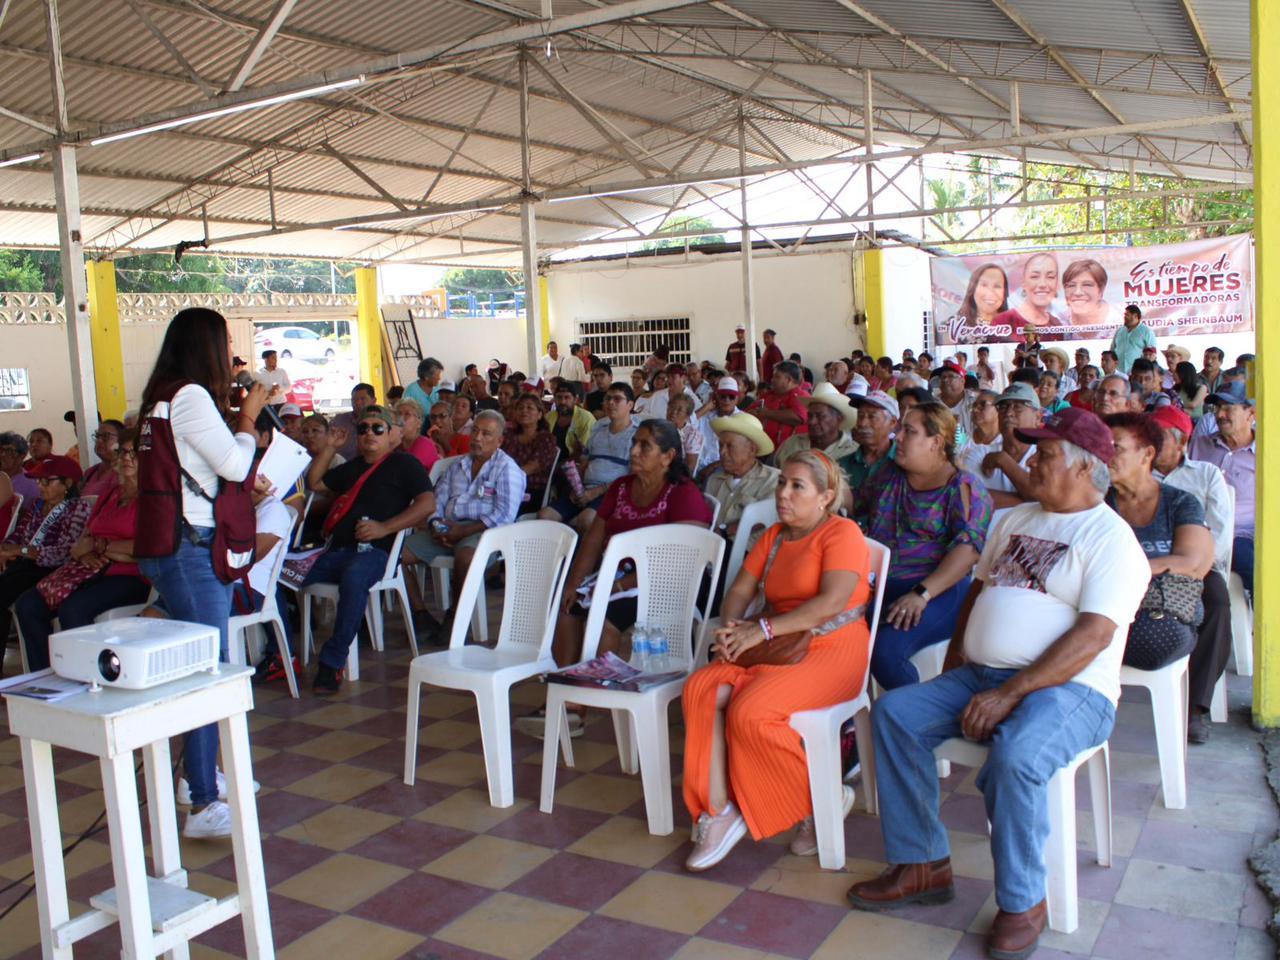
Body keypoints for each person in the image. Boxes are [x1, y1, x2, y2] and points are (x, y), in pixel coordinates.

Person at [848, 408, 1148, 960]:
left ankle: (1022, 901)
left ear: (1085, 470)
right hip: (983, 676)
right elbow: (979, 597)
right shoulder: (1015, 520)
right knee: (894, 714)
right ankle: (922, 865)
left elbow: (1092, 638)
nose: (1031, 461)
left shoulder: (1112, 539)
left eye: (1047, 454)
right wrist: (958, 666)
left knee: (1017, 755)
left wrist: (1010, 694)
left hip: (1072, 689)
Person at [681, 451, 871, 870]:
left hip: (833, 647)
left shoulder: (842, 534)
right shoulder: (775, 537)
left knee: (750, 711)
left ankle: (818, 800)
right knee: (699, 688)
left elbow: (833, 602)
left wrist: (761, 631)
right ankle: (718, 811)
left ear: (825, 497)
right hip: (776, 643)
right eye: (782, 482)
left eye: (797, 486)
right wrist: (732, 631)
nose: (783, 493)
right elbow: (740, 591)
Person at [134, 307, 267, 838]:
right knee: (208, 670)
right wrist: (249, 418)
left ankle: (198, 776)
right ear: (206, 347)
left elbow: (197, 467)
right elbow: (234, 465)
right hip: (190, 549)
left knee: (201, 663)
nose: (231, 351)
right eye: (226, 340)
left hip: (171, 542)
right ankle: (204, 805)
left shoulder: (158, 399)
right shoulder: (188, 396)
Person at [521, 419, 711, 738]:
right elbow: (594, 540)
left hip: (672, 582)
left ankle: (579, 706)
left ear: (668, 456)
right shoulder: (622, 487)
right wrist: (573, 583)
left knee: (605, 614)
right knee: (568, 606)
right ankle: (567, 691)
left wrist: (621, 584)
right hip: (620, 577)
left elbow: (685, 555)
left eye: (644, 446)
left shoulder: (683, 493)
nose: (633, 451)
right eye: (634, 442)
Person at [854, 403, 991, 689]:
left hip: (937, 589)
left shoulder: (962, 487)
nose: (898, 437)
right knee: (833, 633)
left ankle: (919, 720)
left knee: (885, 652)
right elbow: (856, 504)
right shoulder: (889, 474)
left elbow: (968, 551)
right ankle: (853, 719)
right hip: (878, 585)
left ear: (936, 443)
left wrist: (922, 593)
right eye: (900, 429)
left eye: (909, 431)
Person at [304, 404, 435, 691]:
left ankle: (331, 662)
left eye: (378, 428)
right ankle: (282, 652)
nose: (369, 434)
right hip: (335, 551)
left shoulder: (405, 465)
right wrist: (330, 448)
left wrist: (384, 528)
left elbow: (428, 503)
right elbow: (315, 484)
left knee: (354, 578)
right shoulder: (351, 467)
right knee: (281, 574)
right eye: (363, 428)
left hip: (375, 553)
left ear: (392, 435)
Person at [14, 432, 149, 671]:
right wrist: (86, 552)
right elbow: (81, 541)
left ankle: (87, 677)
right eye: (122, 452)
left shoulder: (151, 499)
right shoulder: (111, 494)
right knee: (28, 604)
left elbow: (145, 548)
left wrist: (102, 547)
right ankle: (45, 676)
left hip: (130, 575)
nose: (126, 458)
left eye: (134, 452)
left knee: (73, 609)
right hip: (89, 568)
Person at [1104, 412, 1214, 678]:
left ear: (1146, 454)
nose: (1103, 454)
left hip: (1158, 612)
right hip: (1106, 607)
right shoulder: (1098, 502)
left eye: (1115, 447)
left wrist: (1120, 571)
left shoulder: (1179, 503)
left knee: (1150, 638)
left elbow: (1189, 562)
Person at [1151, 405, 1234, 743]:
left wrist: (1192, 566)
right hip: (1147, 565)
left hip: (1196, 566)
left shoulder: (1205, 475)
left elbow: (1220, 532)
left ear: (1181, 441)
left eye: (1157, 438)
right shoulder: (1138, 475)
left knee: (1218, 605)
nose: (1150, 446)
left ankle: (1196, 707)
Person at [0, 455, 93, 624]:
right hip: (25, 565)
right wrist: (6, 549)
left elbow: (66, 552)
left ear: (68, 483)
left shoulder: (77, 508)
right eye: (39, 481)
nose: (40, 486)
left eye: (47, 481)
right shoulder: (38, 504)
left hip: (50, 570)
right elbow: (19, 533)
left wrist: (23, 550)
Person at [539, 382, 639, 532]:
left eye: (617, 399)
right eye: (608, 399)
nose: (611, 403)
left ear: (630, 405)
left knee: (586, 519)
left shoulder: (636, 435)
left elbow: (632, 476)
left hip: (613, 493)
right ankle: (562, 554)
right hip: (585, 489)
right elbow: (584, 463)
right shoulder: (598, 429)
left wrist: (596, 492)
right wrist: (576, 488)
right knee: (544, 516)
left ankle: (585, 554)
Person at [1188, 381, 1254, 595]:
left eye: (1228, 408)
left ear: (1250, 413)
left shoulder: (1267, 451)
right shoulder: (1202, 444)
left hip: (1242, 534)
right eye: (1217, 408)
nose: (1220, 414)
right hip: (1200, 532)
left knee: (1249, 563)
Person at [705, 416, 779, 540]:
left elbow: (764, 517)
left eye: (730, 446)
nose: (722, 452)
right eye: (721, 445)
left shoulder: (774, 480)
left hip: (749, 555)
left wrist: (724, 531)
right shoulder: (714, 480)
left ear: (752, 449)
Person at [979, 384, 1042, 508]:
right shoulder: (980, 453)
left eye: (1018, 407)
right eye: (1003, 407)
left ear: (1038, 417)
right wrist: (1035, 502)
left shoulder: (1046, 458)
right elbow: (970, 496)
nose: (1008, 413)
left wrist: (1003, 460)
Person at [775, 383, 857, 464]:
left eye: (820, 416)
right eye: (810, 416)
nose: (812, 421)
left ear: (838, 419)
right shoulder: (792, 443)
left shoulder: (852, 452)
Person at [502, 393, 557, 514]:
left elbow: (533, 467)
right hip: (504, 485)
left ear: (540, 415)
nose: (524, 411)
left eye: (529, 408)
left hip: (531, 490)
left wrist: (503, 478)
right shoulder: (508, 436)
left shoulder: (546, 438)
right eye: (520, 408)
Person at [838, 391, 898, 495]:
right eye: (860, 416)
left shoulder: (903, 463)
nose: (862, 423)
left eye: (872, 417)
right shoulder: (842, 465)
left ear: (892, 423)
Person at [994, 252, 1062, 338]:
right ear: (1023, 282)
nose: (1042, 284)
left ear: (1057, 283)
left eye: (1050, 277)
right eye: (1034, 277)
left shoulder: (1056, 324)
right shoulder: (1003, 321)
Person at [752, 361, 808, 449]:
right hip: (762, 447)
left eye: (777, 377)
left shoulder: (800, 395)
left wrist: (767, 413)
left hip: (786, 452)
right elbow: (750, 411)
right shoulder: (768, 395)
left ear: (789, 380)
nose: (772, 379)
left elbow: (798, 418)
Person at [955, 263, 1009, 336]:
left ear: (1005, 292)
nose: (990, 292)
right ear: (973, 288)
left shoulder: (1016, 324)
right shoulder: (954, 325)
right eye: (984, 285)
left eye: (997, 286)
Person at [547, 380, 595, 458]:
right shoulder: (549, 417)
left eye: (567, 397)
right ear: (554, 399)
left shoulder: (586, 418)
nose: (562, 401)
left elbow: (584, 453)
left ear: (575, 399)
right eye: (559, 397)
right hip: (549, 463)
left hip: (575, 465)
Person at [959, 389, 1001, 478]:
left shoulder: (1005, 443)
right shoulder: (962, 437)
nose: (975, 410)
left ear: (999, 409)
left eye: (983, 405)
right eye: (973, 406)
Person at [1062, 258, 1114, 327]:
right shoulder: (1059, 321)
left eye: (1087, 285)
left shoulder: (1120, 322)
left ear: (1101, 290)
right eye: (1071, 285)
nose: (1078, 292)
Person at [331, 382, 377, 460]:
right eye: (354, 400)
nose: (358, 403)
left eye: (363, 399)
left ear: (374, 400)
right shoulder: (339, 421)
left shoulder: (382, 422)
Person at [80, 420, 125, 499]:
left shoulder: (124, 471)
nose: (99, 441)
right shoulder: (90, 472)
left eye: (105, 436)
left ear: (121, 441)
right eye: (97, 436)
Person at [394, 397, 440, 473]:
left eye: (407, 414)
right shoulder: (397, 445)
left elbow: (405, 473)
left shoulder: (424, 444)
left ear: (419, 422)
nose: (400, 418)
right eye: (398, 414)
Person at [1110, 303, 1156, 374]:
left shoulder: (1147, 331)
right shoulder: (1120, 331)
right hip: (1119, 372)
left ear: (1135, 316)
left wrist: (1145, 370)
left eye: (1127, 315)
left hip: (1137, 372)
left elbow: (1152, 354)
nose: (1124, 317)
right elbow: (1112, 350)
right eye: (1124, 315)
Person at [666, 393, 704, 475]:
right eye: (672, 407)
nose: (673, 412)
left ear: (687, 415)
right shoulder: (659, 428)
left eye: (679, 410)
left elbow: (689, 468)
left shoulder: (692, 435)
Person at [934, 361, 972, 434]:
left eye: (951, 376)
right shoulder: (933, 404)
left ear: (962, 381)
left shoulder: (974, 402)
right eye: (943, 377)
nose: (945, 380)